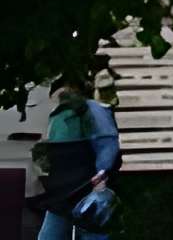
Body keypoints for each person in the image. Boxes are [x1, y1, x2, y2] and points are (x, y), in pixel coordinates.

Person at [36, 74, 119, 238]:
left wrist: (102, 174)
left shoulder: (93, 111)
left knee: (90, 230)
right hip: (65, 188)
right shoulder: (61, 113)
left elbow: (107, 145)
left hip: (86, 186)